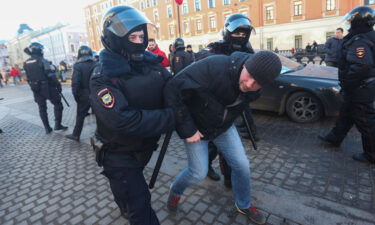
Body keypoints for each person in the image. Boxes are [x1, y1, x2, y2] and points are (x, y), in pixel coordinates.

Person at [165, 51, 282, 225]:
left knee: (242, 165)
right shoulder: (214, 66)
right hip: (196, 128)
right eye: (249, 76)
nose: (249, 84)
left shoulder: (255, 90)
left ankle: (243, 204)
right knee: (198, 172)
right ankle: (175, 191)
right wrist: (187, 129)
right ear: (244, 66)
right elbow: (172, 89)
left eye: (257, 83)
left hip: (223, 128)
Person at [89, 6, 175, 224]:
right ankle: (126, 203)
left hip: (141, 150)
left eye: (141, 36)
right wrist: (170, 117)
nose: (138, 42)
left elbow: (175, 89)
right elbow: (123, 119)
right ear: (115, 39)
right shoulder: (102, 76)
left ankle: (124, 201)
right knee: (140, 203)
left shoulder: (149, 65)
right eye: (132, 37)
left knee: (128, 194)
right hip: (118, 155)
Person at [196, 13, 259, 187]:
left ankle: (229, 178)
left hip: (238, 102)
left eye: (244, 33)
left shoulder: (247, 49)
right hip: (217, 103)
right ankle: (208, 166)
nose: (240, 37)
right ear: (227, 32)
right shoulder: (217, 47)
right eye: (237, 33)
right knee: (215, 145)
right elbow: (201, 56)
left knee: (231, 145)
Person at [318, 6, 375, 164]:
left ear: (359, 22)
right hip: (359, 88)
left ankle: (371, 154)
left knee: (366, 122)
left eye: (352, 22)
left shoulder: (360, 40)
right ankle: (334, 138)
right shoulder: (366, 36)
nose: (349, 25)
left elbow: (361, 66)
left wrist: (348, 83)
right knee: (346, 114)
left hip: (360, 88)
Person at [23, 42, 68, 134]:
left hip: (35, 88)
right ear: (39, 50)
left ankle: (47, 128)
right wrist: (58, 86)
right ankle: (57, 125)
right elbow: (51, 75)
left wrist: (33, 86)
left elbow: (27, 77)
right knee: (58, 104)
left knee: (42, 108)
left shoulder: (26, 62)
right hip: (47, 87)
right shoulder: (43, 60)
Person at [65, 46, 97, 141]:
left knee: (80, 116)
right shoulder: (96, 63)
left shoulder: (78, 66)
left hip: (84, 94)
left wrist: (76, 96)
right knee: (100, 116)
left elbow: (75, 83)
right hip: (95, 93)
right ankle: (103, 134)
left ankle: (76, 134)